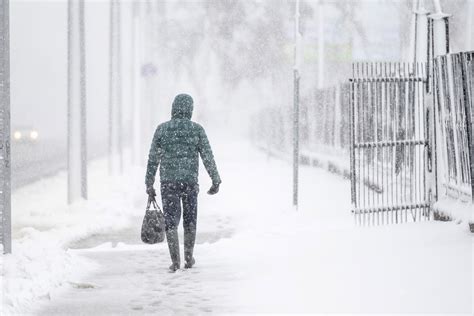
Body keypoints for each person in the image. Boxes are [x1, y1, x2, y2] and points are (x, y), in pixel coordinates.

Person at [145, 94, 221, 272]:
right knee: (190, 221)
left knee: (171, 222)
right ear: (190, 109)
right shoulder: (197, 130)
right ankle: (188, 258)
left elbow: (153, 159)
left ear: (173, 108)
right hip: (189, 183)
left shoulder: (162, 129)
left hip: (168, 183)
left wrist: (149, 183)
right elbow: (208, 157)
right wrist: (215, 180)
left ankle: (175, 261)